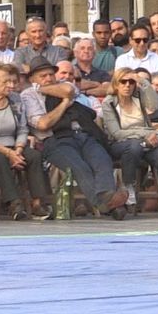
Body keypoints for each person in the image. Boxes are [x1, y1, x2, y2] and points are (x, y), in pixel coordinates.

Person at [21, 57, 128, 216]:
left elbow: (69, 91)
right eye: (42, 76)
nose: (49, 78)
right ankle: (108, 205)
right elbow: (43, 124)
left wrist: (42, 88)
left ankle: (108, 202)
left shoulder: (64, 84)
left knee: (102, 160)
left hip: (82, 133)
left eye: (51, 74)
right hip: (55, 140)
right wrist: (64, 104)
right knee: (79, 168)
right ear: (32, 79)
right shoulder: (27, 95)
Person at [100, 68, 158, 218]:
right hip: (121, 143)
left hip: (144, 142)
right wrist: (145, 134)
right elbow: (116, 133)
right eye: (123, 82)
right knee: (134, 146)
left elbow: (156, 106)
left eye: (131, 82)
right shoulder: (109, 103)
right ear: (116, 84)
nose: (127, 85)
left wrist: (143, 81)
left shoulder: (139, 96)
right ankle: (129, 185)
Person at [0, 62, 49, 221]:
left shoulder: (16, 99)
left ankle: (37, 203)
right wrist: (9, 153)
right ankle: (14, 204)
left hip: (14, 144)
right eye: (6, 82)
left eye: (14, 81)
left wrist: (18, 150)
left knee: (34, 155)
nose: (12, 85)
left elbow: (22, 129)